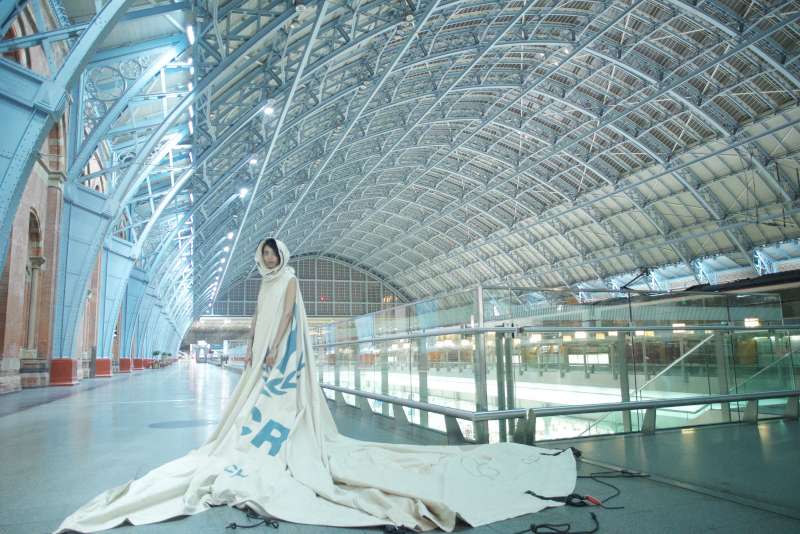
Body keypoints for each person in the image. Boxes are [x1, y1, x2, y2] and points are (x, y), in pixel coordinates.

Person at [56, 238, 576, 534]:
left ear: (281, 257)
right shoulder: (264, 284)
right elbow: (262, 318)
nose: (268, 261)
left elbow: (283, 322)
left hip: (279, 361)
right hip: (263, 358)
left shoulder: (290, 282)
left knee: (308, 443)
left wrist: (271, 349)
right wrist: (258, 345)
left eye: (272, 254)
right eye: (264, 256)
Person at [244, 238, 296, 369]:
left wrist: (275, 347)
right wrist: (249, 347)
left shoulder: (290, 279)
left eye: (274, 253)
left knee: (273, 382)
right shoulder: (265, 281)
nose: (270, 257)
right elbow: (257, 314)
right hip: (260, 341)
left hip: (279, 340)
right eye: (266, 253)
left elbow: (288, 313)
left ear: (281, 255)